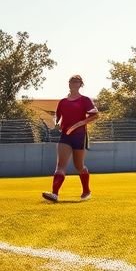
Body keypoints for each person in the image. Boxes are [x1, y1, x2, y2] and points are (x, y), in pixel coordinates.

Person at [41, 75, 98, 203]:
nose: (73, 83)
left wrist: (80, 124)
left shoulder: (85, 100)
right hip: (65, 136)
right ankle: (54, 194)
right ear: (69, 84)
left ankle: (86, 191)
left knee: (79, 166)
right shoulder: (63, 102)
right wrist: (56, 124)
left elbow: (95, 115)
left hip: (80, 136)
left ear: (80, 84)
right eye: (71, 81)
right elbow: (57, 117)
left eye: (76, 81)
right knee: (60, 166)